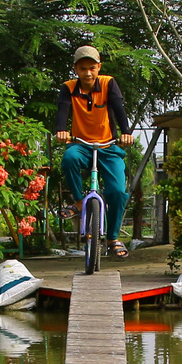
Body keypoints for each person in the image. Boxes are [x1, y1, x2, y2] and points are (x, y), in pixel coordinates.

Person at [55, 44, 135, 258]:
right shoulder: (69, 87)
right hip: (81, 145)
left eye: (92, 68)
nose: (88, 73)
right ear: (76, 69)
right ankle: (79, 202)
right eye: (83, 69)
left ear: (99, 67)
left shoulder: (108, 84)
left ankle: (112, 238)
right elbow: (63, 110)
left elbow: (119, 109)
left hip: (108, 145)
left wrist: (126, 132)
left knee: (117, 192)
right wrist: (61, 130)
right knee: (69, 158)